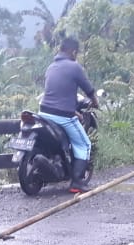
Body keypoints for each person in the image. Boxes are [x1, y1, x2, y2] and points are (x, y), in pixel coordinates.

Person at [37, 36, 99, 194]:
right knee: (84, 144)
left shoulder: (51, 67)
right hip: (62, 116)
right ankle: (77, 182)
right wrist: (95, 102)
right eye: (76, 53)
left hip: (43, 112)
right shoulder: (74, 67)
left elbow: (59, 95)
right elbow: (89, 90)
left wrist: (74, 112)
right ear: (73, 52)